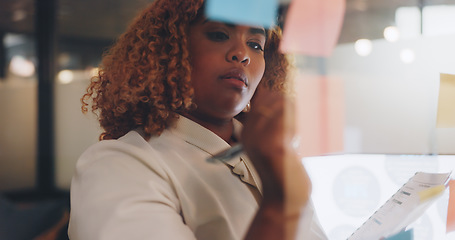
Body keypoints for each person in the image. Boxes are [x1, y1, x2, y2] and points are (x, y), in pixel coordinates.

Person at [68, 0, 327, 239]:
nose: (242, 53)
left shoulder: (268, 157)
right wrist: (279, 205)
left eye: (256, 44)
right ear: (168, 50)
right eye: (218, 35)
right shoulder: (118, 165)